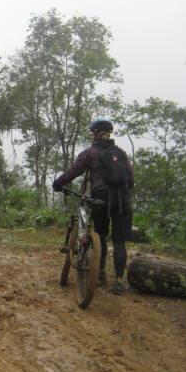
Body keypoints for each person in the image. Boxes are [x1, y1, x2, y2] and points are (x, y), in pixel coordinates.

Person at [52, 118, 134, 294]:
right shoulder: (120, 153)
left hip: (101, 196)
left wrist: (58, 184)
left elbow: (73, 171)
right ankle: (119, 282)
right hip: (123, 199)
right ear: (109, 133)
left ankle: (101, 273)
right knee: (119, 242)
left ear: (95, 133)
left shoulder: (90, 153)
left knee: (101, 235)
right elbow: (131, 179)